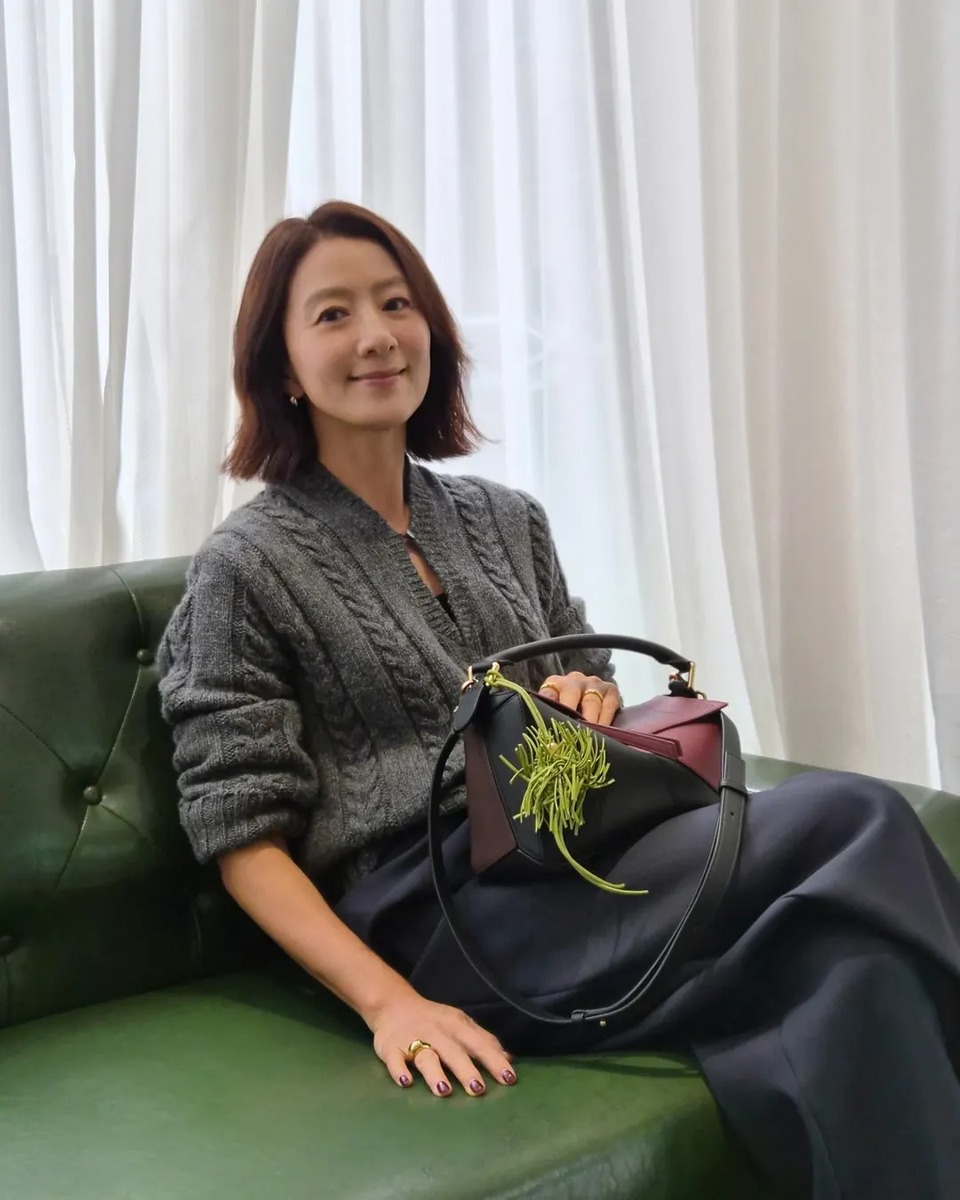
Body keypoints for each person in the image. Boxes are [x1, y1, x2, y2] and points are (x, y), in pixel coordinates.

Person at [158, 199, 960, 1199]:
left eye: (396, 303)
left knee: (849, 966)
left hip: (579, 852)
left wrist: (586, 696)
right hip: (437, 913)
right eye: (332, 315)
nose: (377, 336)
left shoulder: (507, 520)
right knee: (856, 815)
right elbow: (241, 836)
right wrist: (391, 1005)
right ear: (280, 366)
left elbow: (590, 702)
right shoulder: (244, 567)